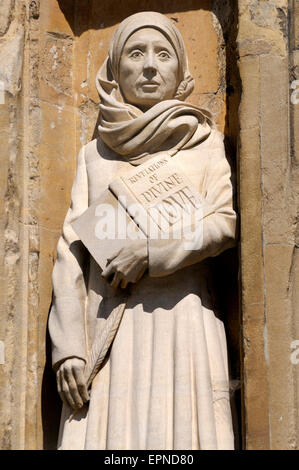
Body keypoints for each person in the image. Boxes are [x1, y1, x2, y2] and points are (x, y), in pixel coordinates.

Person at [49, 11, 237, 450]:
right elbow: (70, 254)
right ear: (115, 71)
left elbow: (223, 223)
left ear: (181, 72)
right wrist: (69, 348)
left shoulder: (203, 143)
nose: (150, 65)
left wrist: (150, 254)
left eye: (163, 54)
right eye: (136, 53)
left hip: (183, 318)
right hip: (112, 322)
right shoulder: (94, 156)